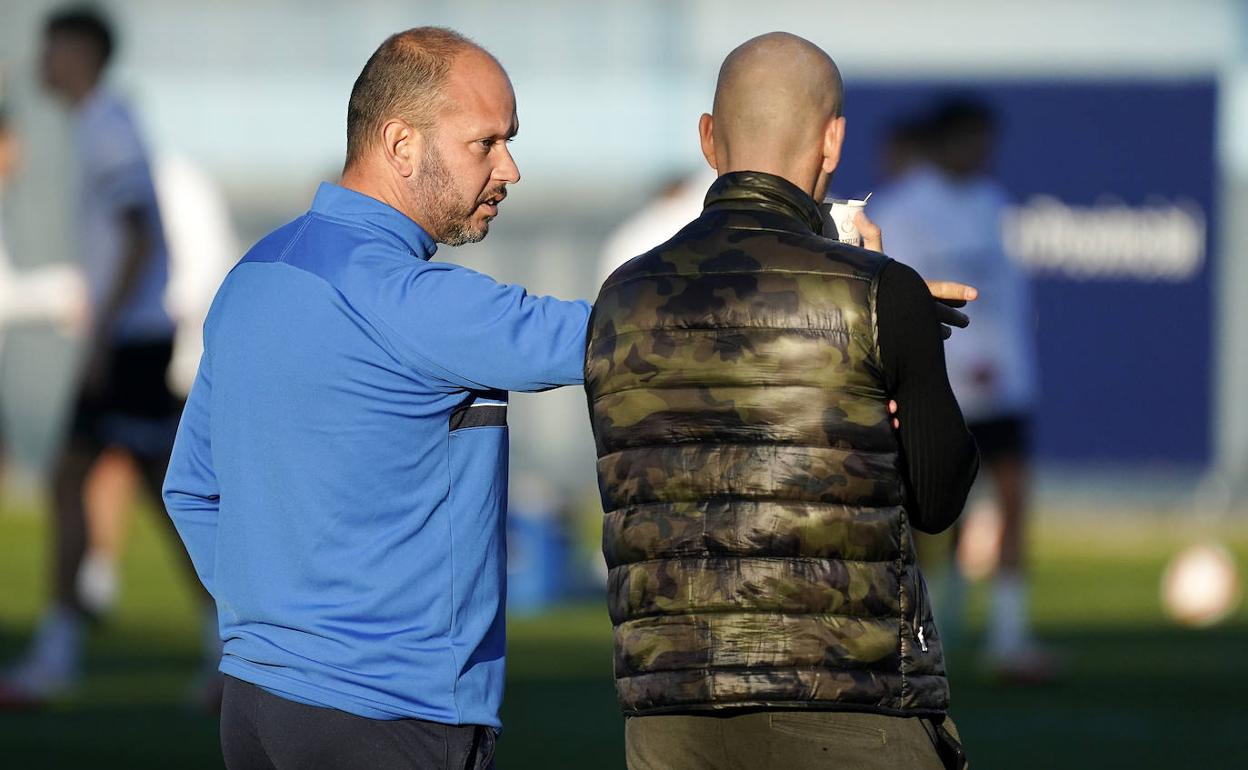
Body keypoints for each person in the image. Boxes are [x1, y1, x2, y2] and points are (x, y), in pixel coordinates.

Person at [162, 28, 589, 770]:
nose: (509, 168)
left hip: (257, 707)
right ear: (401, 146)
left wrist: (279, 626)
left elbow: (190, 491)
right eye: (484, 144)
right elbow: (626, 337)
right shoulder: (416, 299)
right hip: (390, 714)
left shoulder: (253, 276)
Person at [585, 32, 979, 770]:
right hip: (850, 700)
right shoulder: (879, 291)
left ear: (709, 139)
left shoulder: (620, 297)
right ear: (832, 141)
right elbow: (939, 494)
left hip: (670, 711)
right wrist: (906, 336)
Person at [0, 6, 217, 707]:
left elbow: (136, 238)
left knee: (169, 497)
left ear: (82, 54)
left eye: (52, 48)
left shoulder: (109, 127)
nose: (42, 62)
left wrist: (99, 334)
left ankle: (234, 649)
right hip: (126, 338)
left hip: (132, 341)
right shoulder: (94, 125)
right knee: (90, 483)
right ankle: (62, 652)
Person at [871, 97, 1050, 681]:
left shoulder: (993, 203)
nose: (983, 153)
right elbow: (903, 296)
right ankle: (928, 631)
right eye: (972, 140)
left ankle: (1008, 633)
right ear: (945, 142)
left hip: (1004, 386)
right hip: (939, 380)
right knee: (928, 512)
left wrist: (1006, 363)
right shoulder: (902, 207)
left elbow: (1007, 298)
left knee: (1014, 498)